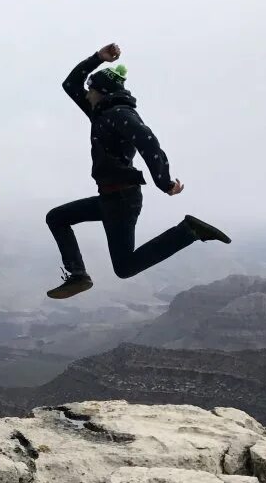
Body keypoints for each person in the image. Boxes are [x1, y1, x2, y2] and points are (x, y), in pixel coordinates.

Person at [45, 43, 230, 300]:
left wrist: (164, 181)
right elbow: (69, 85)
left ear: (101, 91)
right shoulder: (100, 113)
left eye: (90, 91)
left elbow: (147, 141)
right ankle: (78, 275)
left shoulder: (120, 114)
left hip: (122, 200)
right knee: (56, 217)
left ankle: (189, 231)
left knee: (125, 267)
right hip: (110, 198)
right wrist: (98, 58)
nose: (86, 95)